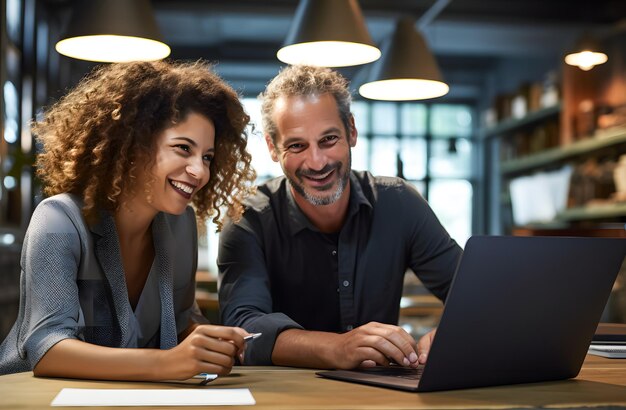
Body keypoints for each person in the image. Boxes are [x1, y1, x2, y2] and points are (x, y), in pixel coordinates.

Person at [0, 60, 256, 380]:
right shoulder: (58, 219)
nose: (201, 171)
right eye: (182, 149)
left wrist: (210, 340)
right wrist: (167, 364)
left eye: (207, 156)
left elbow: (180, 322)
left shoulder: (181, 225)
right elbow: (47, 347)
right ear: (134, 145)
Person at [218, 65, 463, 369]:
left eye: (329, 139)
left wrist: (452, 335)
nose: (317, 162)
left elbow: (476, 293)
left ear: (352, 131)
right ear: (271, 146)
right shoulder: (248, 217)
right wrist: (336, 347)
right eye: (296, 145)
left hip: (379, 397)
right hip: (281, 396)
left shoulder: (399, 203)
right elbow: (242, 330)